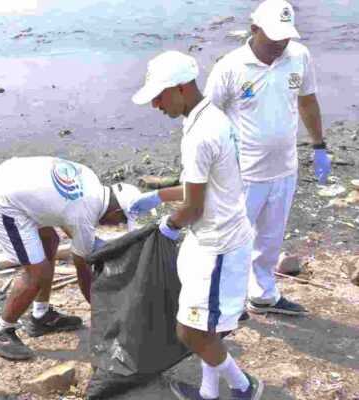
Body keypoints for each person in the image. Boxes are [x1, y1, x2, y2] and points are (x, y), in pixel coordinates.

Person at [129, 51, 262, 400]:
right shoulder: (209, 117)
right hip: (209, 235)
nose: (156, 104)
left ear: (182, 88)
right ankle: (208, 392)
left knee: (191, 332)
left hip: (219, 243)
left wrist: (169, 222)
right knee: (205, 323)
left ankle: (243, 386)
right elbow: (200, 185)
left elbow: (194, 204)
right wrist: (158, 196)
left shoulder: (201, 132)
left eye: (159, 96)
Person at [204, 0, 323, 315]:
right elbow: (205, 117)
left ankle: (263, 295)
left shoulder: (299, 57)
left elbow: (308, 101)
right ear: (254, 28)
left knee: (270, 240)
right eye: (274, 37)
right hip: (241, 173)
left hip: (284, 169)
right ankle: (224, 302)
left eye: (286, 37)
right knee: (231, 241)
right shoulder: (229, 67)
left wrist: (319, 146)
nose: (281, 44)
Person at [0, 156, 140, 360]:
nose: (117, 225)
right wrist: (104, 313)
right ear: (116, 211)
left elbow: (66, 216)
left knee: (50, 242)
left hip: (12, 182)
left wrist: (89, 242)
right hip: (2, 203)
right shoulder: (84, 214)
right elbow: (83, 272)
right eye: (121, 221)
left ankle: (40, 316)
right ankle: (1, 331)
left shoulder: (91, 181)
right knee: (38, 271)